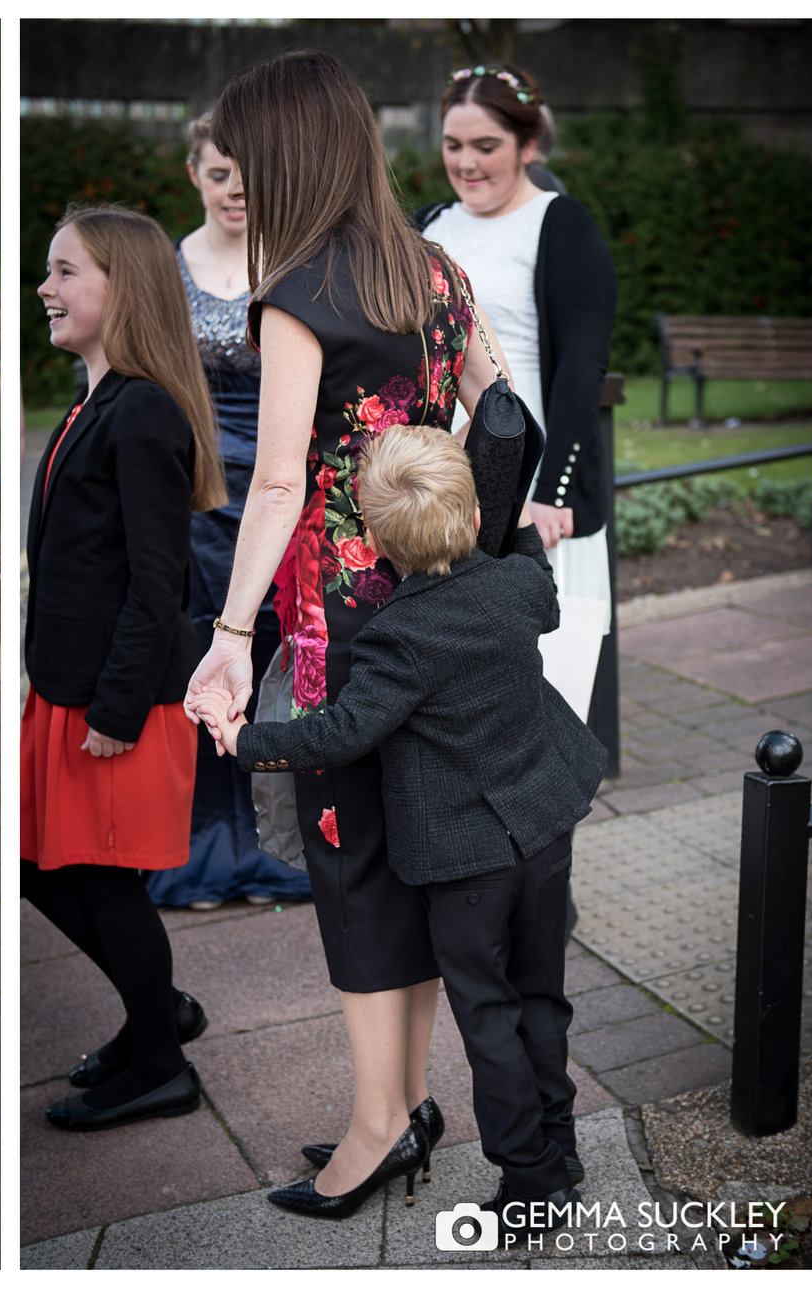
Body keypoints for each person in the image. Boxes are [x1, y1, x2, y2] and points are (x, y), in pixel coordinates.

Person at [192, 47, 522, 1219]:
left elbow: (276, 484)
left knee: (355, 869)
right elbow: (497, 410)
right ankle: (402, 1101)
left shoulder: (296, 293)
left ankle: (380, 1123)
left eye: (242, 156)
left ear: (285, 156)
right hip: (439, 608)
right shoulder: (433, 269)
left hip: (344, 626)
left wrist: (229, 634)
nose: (232, 178)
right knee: (405, 855)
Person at [219, 424, 604, 1237]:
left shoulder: (397, 636)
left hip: (464, 856)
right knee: (542, 993)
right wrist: (522, 524)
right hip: (545, 820)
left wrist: (245, 738)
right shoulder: (515, 587)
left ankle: (531, 1181)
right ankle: (561, 1148)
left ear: (377, 546)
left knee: (488, 1012)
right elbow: (540, 579)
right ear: (471, 520)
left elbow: (338, 733)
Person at [24, 205, 226, 1131]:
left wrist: (114, 706)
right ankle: (160, 1014)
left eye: (67, 272)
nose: (46, 288)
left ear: (123, 288)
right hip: (67, 688)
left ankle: (160, 1063)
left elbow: (161, 583)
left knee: (98, 876)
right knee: (42, 865)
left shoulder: (142, 410)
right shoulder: (97, 399)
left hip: (116, 700)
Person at [414, 64, 619, 723]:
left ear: (528, 145)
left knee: (538, 693)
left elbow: (581, 370)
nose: (465, 164)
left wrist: (548, 494)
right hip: (439, 476)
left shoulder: (561, 226)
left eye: (485, 146)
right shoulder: (427, 226)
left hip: (529, 473)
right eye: (453, 145)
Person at [152, 113, 312, 912]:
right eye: (219, 177)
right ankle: (206, 841)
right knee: (202, 658)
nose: (235, 193)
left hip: (284, 494)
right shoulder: (167, 267)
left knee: (280, 658)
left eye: (248, 179)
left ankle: (276, 840)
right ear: (194, 175)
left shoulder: (295, 261)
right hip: (196, 497)